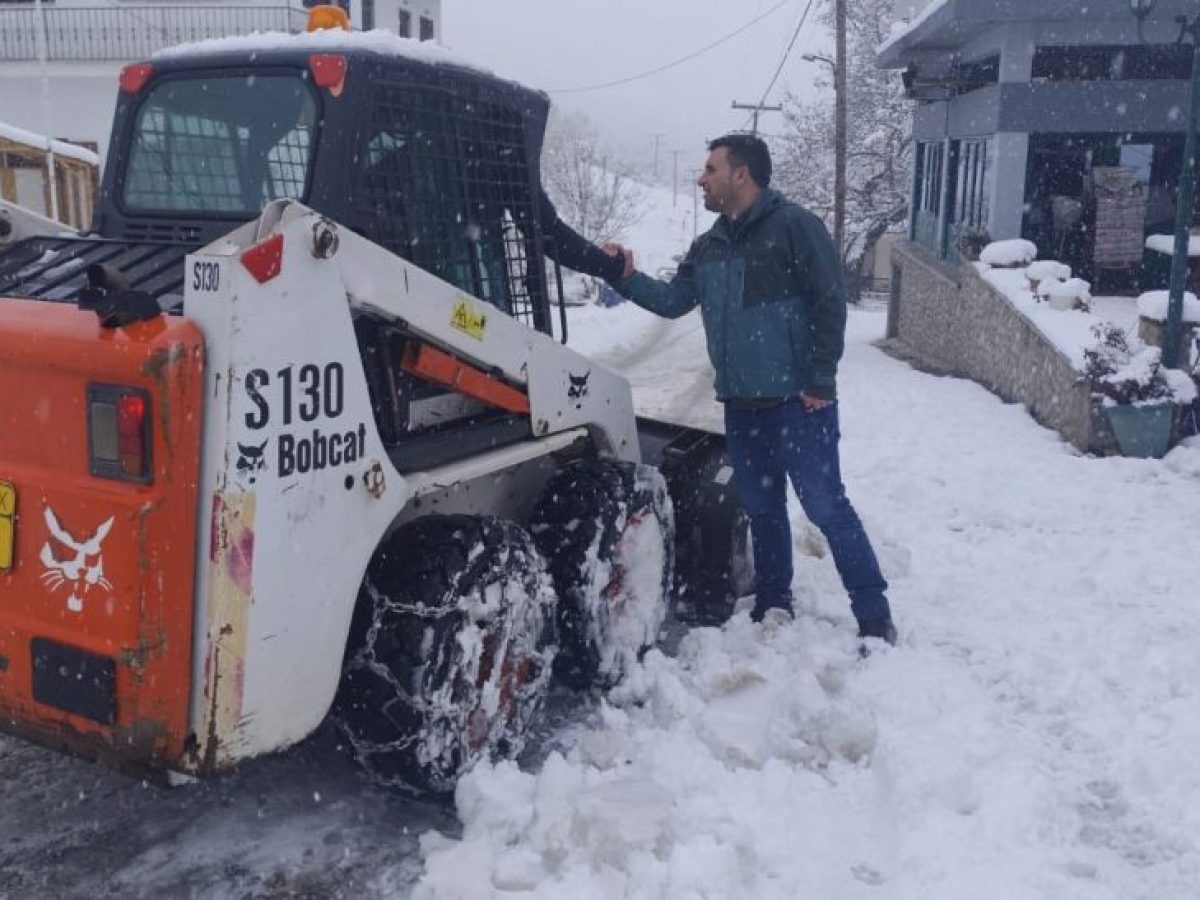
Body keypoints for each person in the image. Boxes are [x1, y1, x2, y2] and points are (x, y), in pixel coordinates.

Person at [602, 133, 896, 645]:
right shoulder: (710, 244)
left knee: (827, 508)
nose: (701, 178)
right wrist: (625, 277)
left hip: (799, 404)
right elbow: (673, 301)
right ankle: (774, 601)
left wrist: (818, 381)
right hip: (740, 407)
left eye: (710, 169)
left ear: (741, 174)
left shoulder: (795, 228)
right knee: (762, 509)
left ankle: (873, 615)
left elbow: (829, 304)